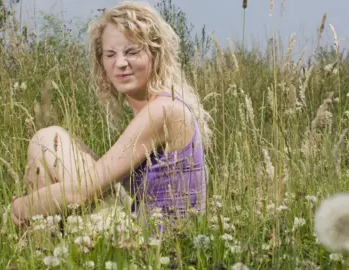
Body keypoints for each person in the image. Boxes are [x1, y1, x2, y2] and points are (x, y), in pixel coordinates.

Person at [11, 0, 213, 226]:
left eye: (132, 51)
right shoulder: (154, 108)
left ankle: (34, 246)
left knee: (48, 139)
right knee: (49, 142)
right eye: (110, 55)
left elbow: (81, 192)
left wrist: (20, 207)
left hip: (161, 249)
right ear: (102, 63)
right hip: (145, 233)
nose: (121, 63)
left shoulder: (163, 110)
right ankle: (39, 249)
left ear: (155, 54)